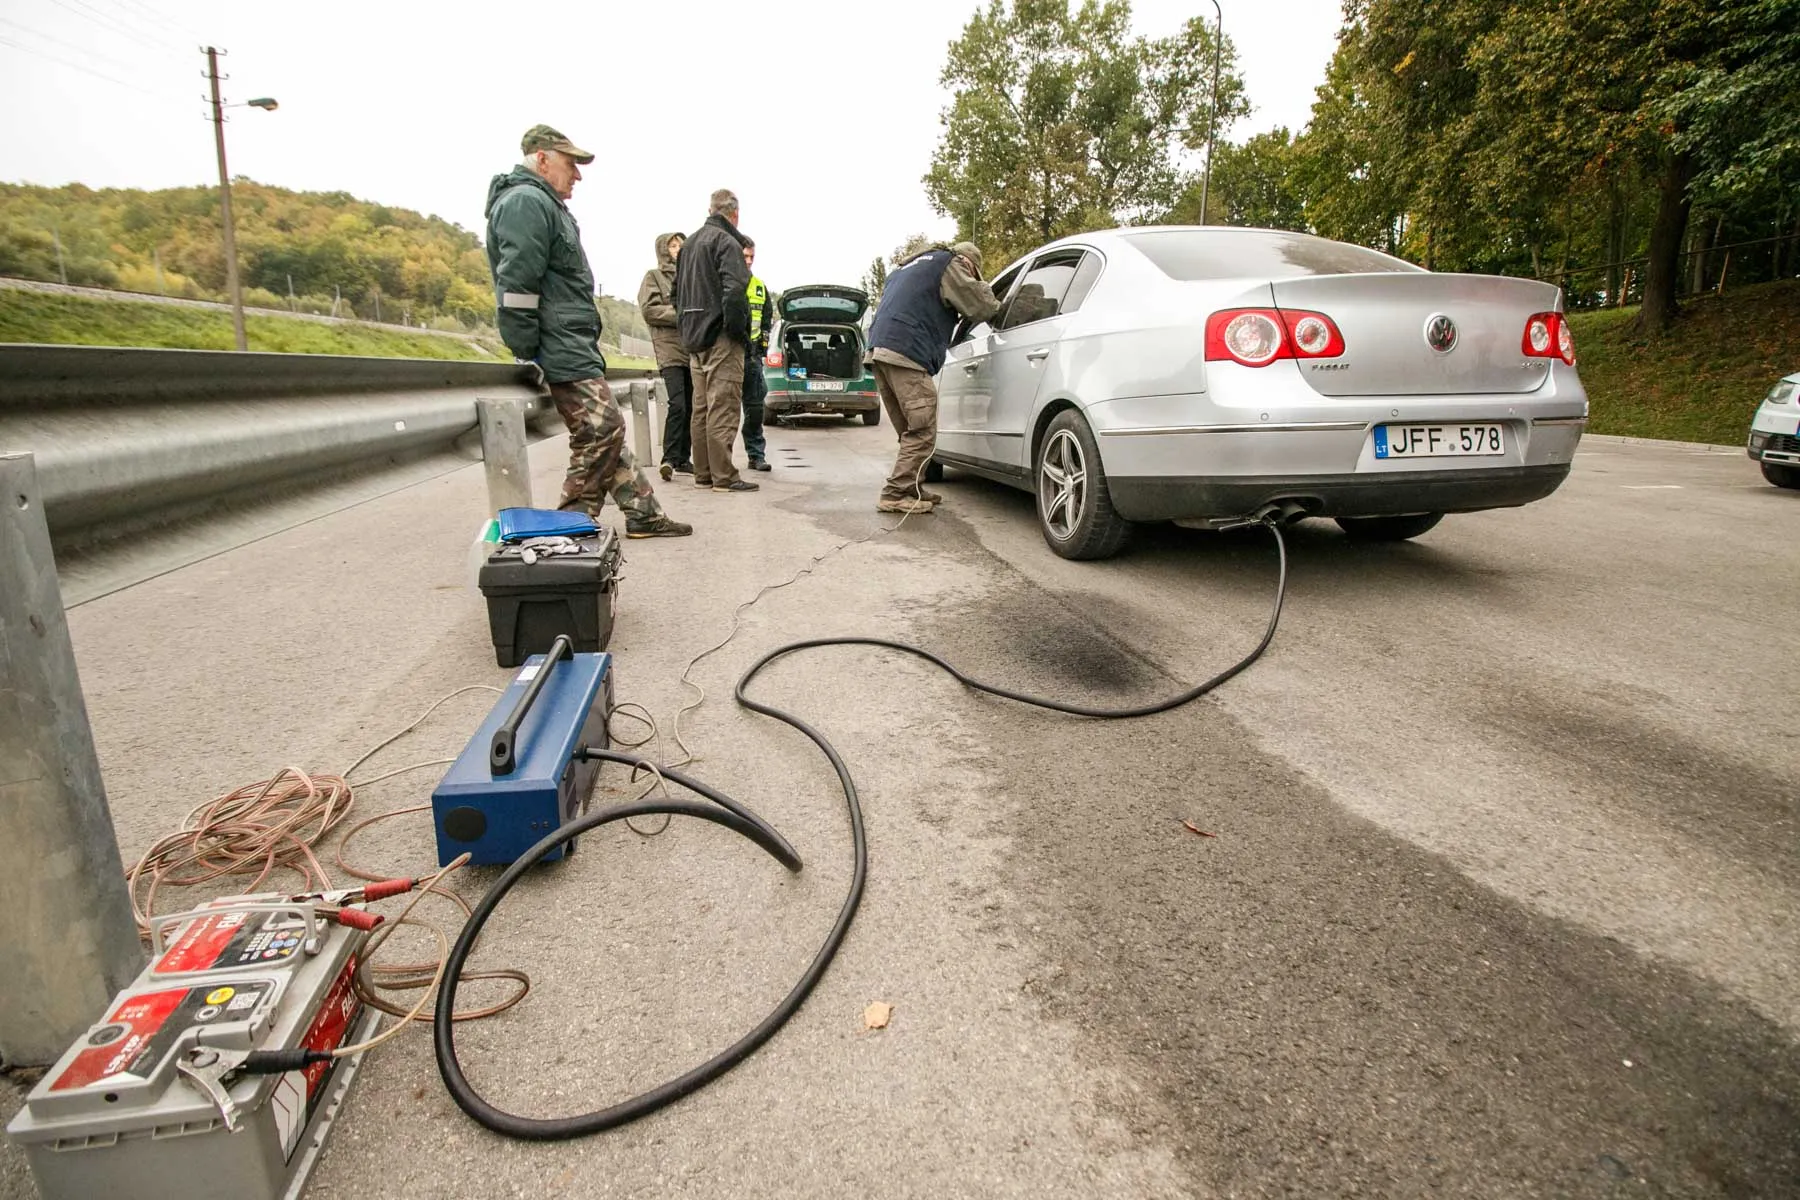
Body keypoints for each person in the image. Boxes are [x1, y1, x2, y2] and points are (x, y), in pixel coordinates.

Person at [485, 125, 690, 537]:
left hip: (570, 340)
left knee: (603, 430)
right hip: (557, 344)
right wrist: (529, 351)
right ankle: (571, 524)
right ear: (541, 159)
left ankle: (643, 513)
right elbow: (518, 285)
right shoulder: (526, 203)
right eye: (570, 164)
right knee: (603, 429)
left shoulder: (545, 204)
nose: (577, 175)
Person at [865, 240, 1001, 514]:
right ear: (968, 264)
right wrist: (989, 292)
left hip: (879, 352)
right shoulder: (950, 264)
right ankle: (894, 494)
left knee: (909, 430)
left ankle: (911, 487)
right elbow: (982, 307)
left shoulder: (908, 268)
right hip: (906, 352)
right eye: (973, 273)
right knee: (922, 429)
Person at [674, 188, 757, 493]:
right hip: (721, 335)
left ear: (711, 210)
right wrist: (737, 332)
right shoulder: (727, 242)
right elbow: (735, 291)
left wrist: (687, 324)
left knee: (701, 407)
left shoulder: (689, 244)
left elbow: (675, 293)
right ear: (734, 213)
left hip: (693, 336)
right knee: (723, 405)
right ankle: (725, 476)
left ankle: (704, 473)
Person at [638, 232, 693, 481]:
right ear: (663, 249)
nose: (677, 249)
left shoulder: (690, 276)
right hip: (669, 349)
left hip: (692, 348)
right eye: (672, 245)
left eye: (681, 244)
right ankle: (669, 457)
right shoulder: (654, 277)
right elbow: (650, 310)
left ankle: (683, 457)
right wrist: (681, 314)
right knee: (678, 403)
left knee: (692, 405)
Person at [741, 239, 772, 472]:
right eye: (745, 257)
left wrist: (760, 349)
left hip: (752, 358)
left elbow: (765, 322)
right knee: (724, 413)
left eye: (752, 257)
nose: (749, 261)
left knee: (755, 408)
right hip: (728, 355)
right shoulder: (722, 284)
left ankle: (756, 455)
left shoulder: (759, 287)